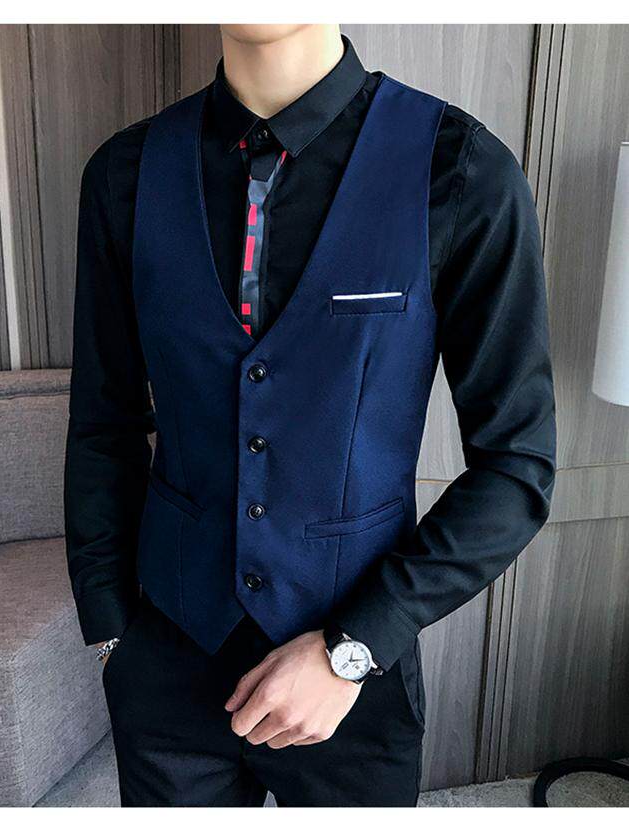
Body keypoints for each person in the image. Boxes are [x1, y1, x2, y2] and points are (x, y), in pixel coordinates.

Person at [64, 23, 556, 807]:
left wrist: (351, 649)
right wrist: (110, 635)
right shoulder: (126, 172)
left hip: (356, 683)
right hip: (166, 664)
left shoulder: (457, 167)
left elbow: (517, 466)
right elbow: (104, 422)